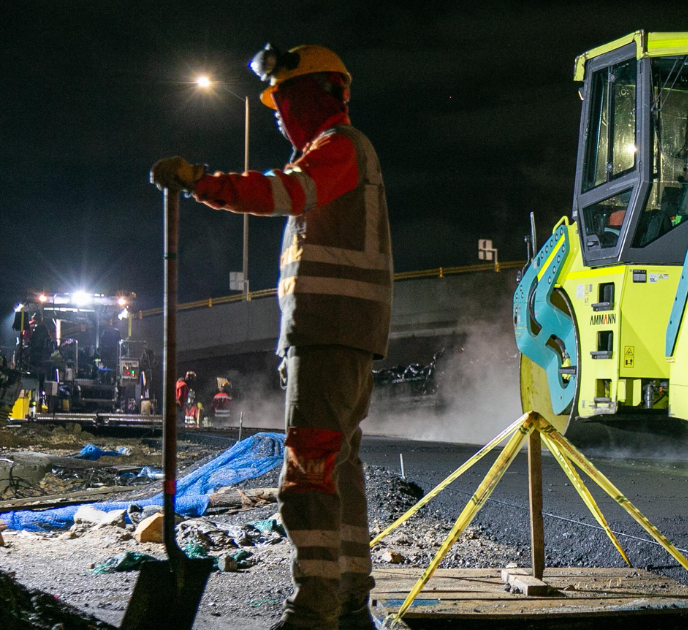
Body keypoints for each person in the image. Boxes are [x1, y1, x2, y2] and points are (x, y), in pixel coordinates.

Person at [151, 44, 392, 630]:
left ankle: (314, 611)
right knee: (338, 470)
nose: (278, 115)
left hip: (329, 333)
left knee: (308, 471)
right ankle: (349, 601)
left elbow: (283, 191)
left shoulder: (339, 150)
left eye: (282, 102)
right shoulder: (332, 152)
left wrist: (204, 182)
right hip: (331, 334)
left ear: (311, 96)